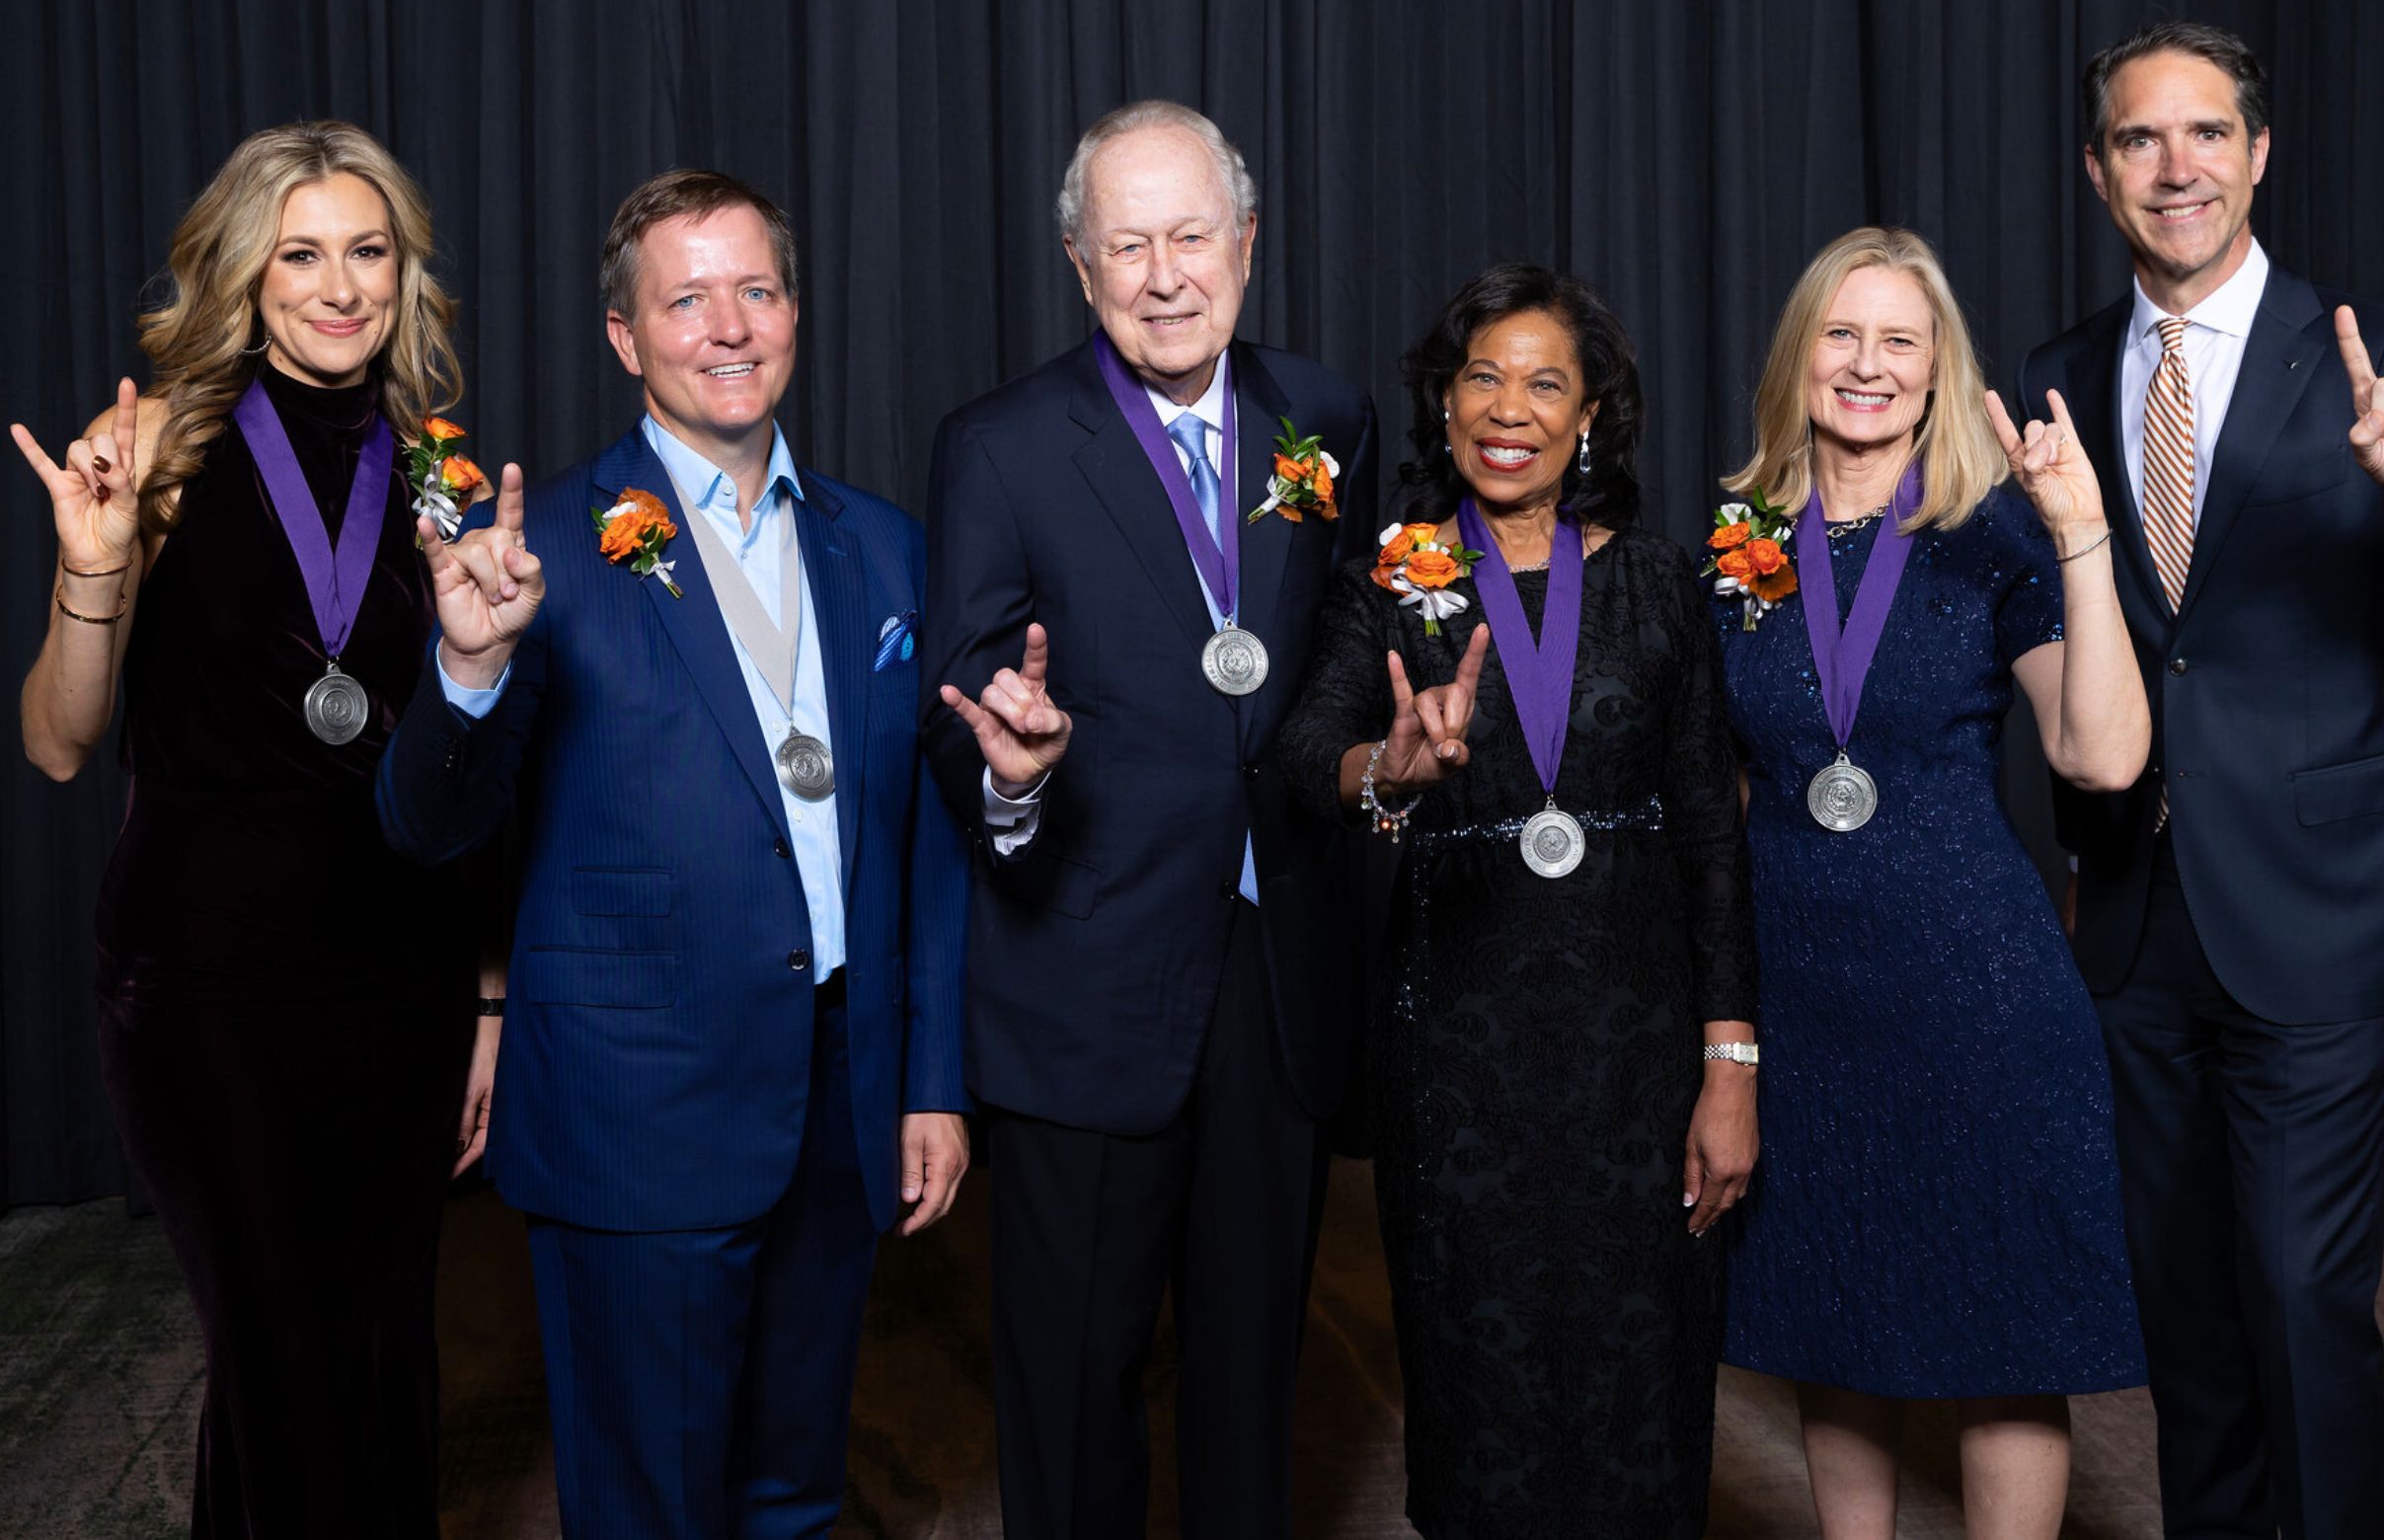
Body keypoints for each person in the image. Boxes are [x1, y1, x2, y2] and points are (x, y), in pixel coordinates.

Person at [375, 169, 970, 1535]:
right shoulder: (541, 560)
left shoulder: (881, 549)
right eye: (685, 299)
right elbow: (426, 825)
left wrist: (928, 1076)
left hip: (835, 1096)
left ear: (795, 314)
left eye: (754, 291)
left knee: (794, 1495)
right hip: (637, 1119)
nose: (728, 327)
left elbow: (922, 840)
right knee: (650, 1508)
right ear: (626, 339)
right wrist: (467, 671)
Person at [11, 121, 497, 1534]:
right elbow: (55, 741)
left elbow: (468, 770)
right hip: (207, 984)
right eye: (301, 255)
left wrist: (486, 997)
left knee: (385, 1353)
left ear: (406, 276)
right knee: (279, 1358)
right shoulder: (153, 444)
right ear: (243, 275)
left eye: (369, 253)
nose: (340, 288)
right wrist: (91, 569)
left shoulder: (440, 471)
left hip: (398, 979)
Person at [2018, 22, 2384, 1538]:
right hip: (2138, 915)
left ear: (2259, 153)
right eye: (2140, 141)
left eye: (2206, 133)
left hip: (2322, 910)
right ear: (2098, 172)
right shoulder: (2062, 373)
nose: (2176, 167)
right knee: (2188, 1317)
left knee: (2298, 1292)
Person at [921, 100, 1378, 1540]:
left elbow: (1340, 657)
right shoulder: (998, 447)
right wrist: (1018, 770)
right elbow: (964, 715)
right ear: (1079, 262)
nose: (1165, 274)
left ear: (1247, 245)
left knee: (1255, 1383)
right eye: (1130, 244)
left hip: (1273, 966)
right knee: (1073, 1391)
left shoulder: (1328, 417)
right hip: (1089, 967)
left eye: (1193, 236)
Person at [1276, 263, 1757, 1538]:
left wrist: (1730, 1064)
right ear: (1444, 408)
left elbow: (1714, 835)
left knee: (1641, 1397)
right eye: (1482, 376)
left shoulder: (1661, 587)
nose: (1510, 406)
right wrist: (1390, 767)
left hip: (1639, 1063)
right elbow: (1302, 754)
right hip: (1461, 1065)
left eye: (1547, 381)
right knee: (1477, 1398)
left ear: (1591, 413)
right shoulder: (1395, 584)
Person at [1710, 225, 2147, 1536]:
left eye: (1900, 339)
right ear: (1799, 357)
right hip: (1806, 992)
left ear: (1938, 366)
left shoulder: (1995, 529)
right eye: (1841, 334)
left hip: (1975, 995)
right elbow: (1727, 786)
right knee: (1833, 1324)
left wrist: (2081, 538)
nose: (1867, 363)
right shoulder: (1737, 541)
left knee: (2001, 1338)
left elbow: (2106, 754)